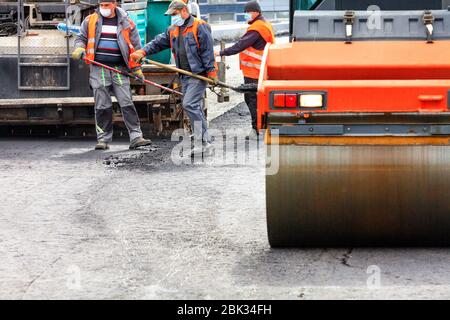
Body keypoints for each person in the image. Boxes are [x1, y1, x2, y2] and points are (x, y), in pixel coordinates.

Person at [130, 0, 217, 157]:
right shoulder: (173, 30)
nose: (173, 18)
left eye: (174, 14)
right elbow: (157, 43)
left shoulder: (199, 26)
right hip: (184, 75)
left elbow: (207, 51)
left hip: (197, 74)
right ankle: (202, 137)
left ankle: (204, 142)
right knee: (194, 106)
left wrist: (211, 73)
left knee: (189, 104)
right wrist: (142, 52)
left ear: (184, 11)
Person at [72, 0, 152, 151]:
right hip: (99, 68)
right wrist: (79, 48)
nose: (104, 8)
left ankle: (136, 137)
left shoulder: (127, 22)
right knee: (102, 105)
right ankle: (103, 139)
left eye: (107, 5)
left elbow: (135, 48)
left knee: (127, 102)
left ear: (115, 4)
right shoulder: (90, 20)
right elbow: (81, 38)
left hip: (119, 69)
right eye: (102, 5)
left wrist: (136, 69)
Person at [215, 0, 275, 139]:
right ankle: (264, 127)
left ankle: (256, 129)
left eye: (247, 12)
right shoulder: (264, 24)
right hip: (262, 70)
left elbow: (240, 45)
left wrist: (221, 53)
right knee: (260, 100)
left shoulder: (257, 28)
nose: (246, 15)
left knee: (251, 99)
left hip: (254, 71)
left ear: (255, 12)